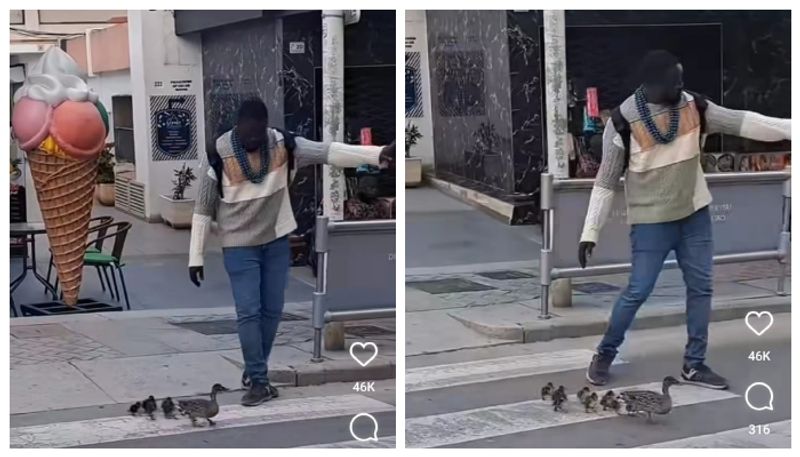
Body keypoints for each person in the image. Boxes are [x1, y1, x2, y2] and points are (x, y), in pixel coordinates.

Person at [579, 50, 791, 389]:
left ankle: (694, 365)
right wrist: (589, 232)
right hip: (651, 224)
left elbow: (745, 121)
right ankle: (604, 353)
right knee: (638, 290)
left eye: (682, 78)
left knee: (701, 289)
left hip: (695, 216)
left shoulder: (696, 107)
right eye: (674, 80)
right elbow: (605, 182)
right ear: (651, 84)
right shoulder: (621, 122)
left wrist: (790, 129)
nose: (681, 84)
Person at [188, 98, 394, 406]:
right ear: (237, 128)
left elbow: (328, 152)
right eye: (247, 139)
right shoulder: (217, 152)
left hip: (275, 240)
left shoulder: (283, 143)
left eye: (258, 137)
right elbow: (203, 208)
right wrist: (196, 257)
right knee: (249, 312)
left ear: (266, 128)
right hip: (238, 245)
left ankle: (254, 368)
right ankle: (258, 381)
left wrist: (376, 153)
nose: (253, 143)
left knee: (272, 311)